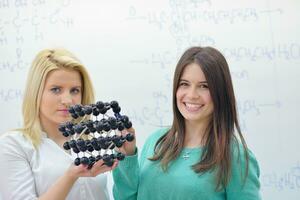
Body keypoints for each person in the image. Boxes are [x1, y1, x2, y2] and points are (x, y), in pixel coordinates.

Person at [113, 46, 261, 200]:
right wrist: (127, 156)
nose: (191, 95)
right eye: (184, 84)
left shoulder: (235, 156)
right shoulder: (156, 141)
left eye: (204, 86)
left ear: (220, 92)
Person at [0, 48, 117, 200]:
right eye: (56, 90)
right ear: (36, 93)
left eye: (75, 90)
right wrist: (70, 176)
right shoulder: (15, 145)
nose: (67, 100)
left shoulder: (92, 142)